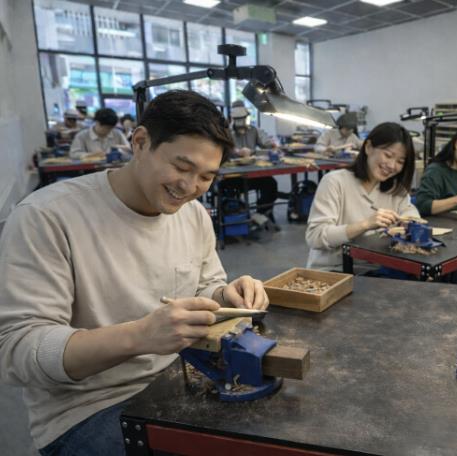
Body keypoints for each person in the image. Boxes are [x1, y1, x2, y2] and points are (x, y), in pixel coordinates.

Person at [0, 90, 269, 455]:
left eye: (206, 176)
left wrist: (223, 296)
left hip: (177, 377)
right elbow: (17, 351)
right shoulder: (46, 218)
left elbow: (204, 287)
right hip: (88, 407)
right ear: (140, 142)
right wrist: (139, 336)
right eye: (182, 167)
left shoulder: (192, 215)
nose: (190, 187)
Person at [306, 122, 419, 271]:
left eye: (400, 161)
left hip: (375, 269)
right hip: (334, 270)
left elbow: (410, 212)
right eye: (388, 155)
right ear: (368, 147)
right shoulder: (335, 182)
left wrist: (410, 223)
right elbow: (315, 237)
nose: (392, 165)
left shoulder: (396, 190)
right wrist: (365, 225)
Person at [222, 100, 279, 225]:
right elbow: (222, 150)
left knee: (271, 184)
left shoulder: (253, 130)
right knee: (225, 189)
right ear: (232, 119)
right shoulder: (226, 133)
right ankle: (235, 214)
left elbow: (266, 143)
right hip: (233, 177)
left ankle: (262, 213)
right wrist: (234, 151)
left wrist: (271, 144)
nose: (240, 123)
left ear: (247, 117)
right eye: (237, 120)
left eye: (242, 119)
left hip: (252, 174)